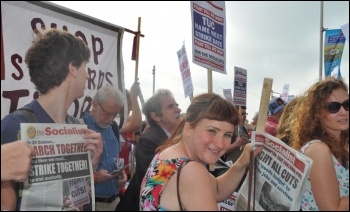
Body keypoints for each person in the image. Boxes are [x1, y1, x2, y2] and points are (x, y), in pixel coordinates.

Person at [1, 29, 103, 211]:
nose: (87, 74)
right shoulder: (15, 125)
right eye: (85, 66)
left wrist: (90, 167)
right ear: (72, 68)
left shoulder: (78, 127)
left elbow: (78, 199)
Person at [139, 93, 263, 210]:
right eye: (212, 131)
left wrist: (243, 160)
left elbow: (217, 189)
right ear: (188, 129)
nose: (220, 143)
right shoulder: (191, 171)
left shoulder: (167, 155)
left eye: (227, 135)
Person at [116, 88, 182, 211]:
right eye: (171, 106)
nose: (178, 109)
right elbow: (156, 182)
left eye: (177, 105)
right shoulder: (149, 141)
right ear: (156, 116)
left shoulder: (178, 138)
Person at [290, 77, 349, 211]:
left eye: (347, 104)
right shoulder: (318, 150)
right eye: (333, 107)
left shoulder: (339, 147)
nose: (344, 112)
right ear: (318, 113)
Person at [80, 85, 127, 211]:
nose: (111, 119)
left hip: (116, 201)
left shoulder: (114, 128)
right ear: (94, 104)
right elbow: (69, 175)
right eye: (107, 113)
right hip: (92, 204)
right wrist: (93, 178)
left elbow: (116, 159)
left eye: (115, 114)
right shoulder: (79, 127)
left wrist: (121, 175)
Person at [217, 106, 250, 188]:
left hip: (242, 172)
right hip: (228, 171)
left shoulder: (244, 129)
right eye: (242, 113)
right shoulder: (230, 130)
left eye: (245, 113)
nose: (244, 116)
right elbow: (219, 151)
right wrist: (236, 144)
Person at [118, 80, 142, 180]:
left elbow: (136, 120)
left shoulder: (126, 124)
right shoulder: (114, 122)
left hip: (126, 175)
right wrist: (133, 96)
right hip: (114, 176)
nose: (131, 108)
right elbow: (136, 123)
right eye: (129, 104)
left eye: (131, 104)